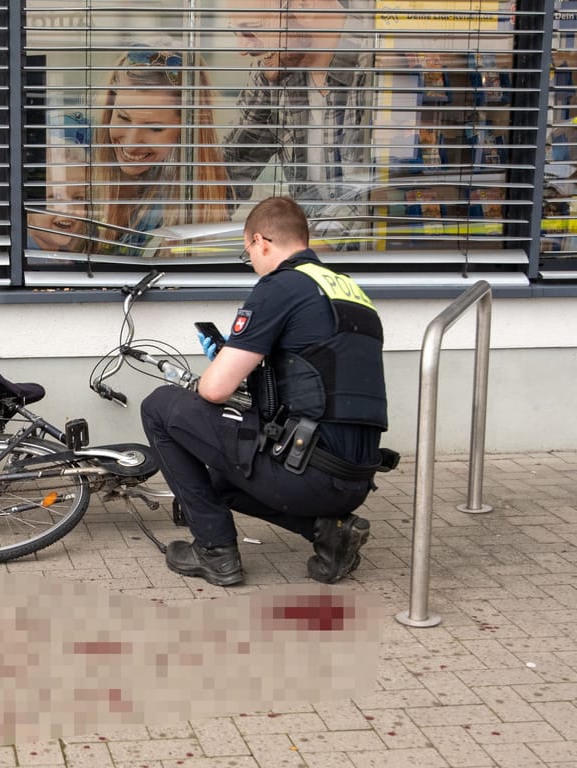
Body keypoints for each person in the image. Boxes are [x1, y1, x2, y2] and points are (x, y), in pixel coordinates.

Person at [140, 196, 391, 586]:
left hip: (306, 471)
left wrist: (219, 367)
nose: (253, 265)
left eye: (248, 254)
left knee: (159, 407)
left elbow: (214, 390)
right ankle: (328, 531)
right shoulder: (348, 290)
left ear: (262, 241)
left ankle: (214, 551)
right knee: (219, 481)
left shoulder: (280, 286)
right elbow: (315, 380)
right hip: (354, 477)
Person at [223, 0, 373, 249]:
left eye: (251, 29)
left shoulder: (377, 63)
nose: (241, 48)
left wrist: (312, 249)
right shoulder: (278, 69)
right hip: (304, 254)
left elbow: (376, 191)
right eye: (234, 32)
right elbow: (232, 166)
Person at [89, 41, 232, 257]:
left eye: (155, 128)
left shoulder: (175, 215)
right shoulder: (90, 183)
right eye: (123, 118)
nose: (130, 142)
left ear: (187, 133)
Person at [26, 142, 91, 253]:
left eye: (79, 198)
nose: (68, 210)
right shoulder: (29, 264)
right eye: (55, 197)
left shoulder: (66, 260)